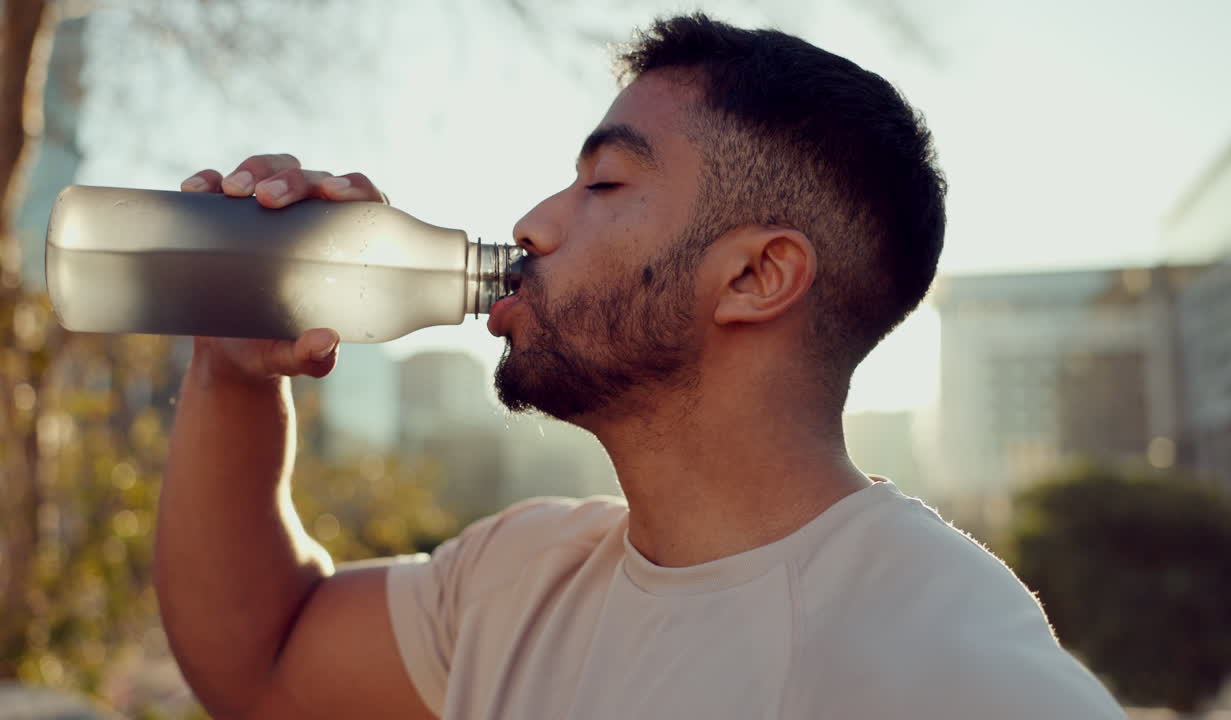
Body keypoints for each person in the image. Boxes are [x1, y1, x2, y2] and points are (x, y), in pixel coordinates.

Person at [157, 13, 1126, 720]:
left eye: (606, 181)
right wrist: (234, 370)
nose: (531, 224)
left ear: (754, 276)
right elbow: (261, 664)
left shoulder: (948, 670)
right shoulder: (523, 578)